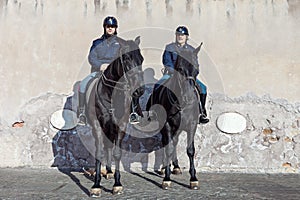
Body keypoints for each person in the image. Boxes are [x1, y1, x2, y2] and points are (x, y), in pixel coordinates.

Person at [77, 16, 140, 125]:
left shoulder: (121, 43)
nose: (110, 28)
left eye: (113, 27)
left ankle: (133, 112)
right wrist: (100, 65)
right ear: (104, 27)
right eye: (108, 26)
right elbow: (92, 57)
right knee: (83, 84)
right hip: (98, 72)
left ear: (116, 28)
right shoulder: (96, 42)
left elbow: (124, 59)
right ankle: (82, 113)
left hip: (115, 74)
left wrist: (112, 66)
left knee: (131, 85)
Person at [156, 26, 209, 124]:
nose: (180, 37)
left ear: (186, 37)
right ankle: (153, 111)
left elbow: (195, 64)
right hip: (172, 75)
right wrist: (174, 72)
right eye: (178, 35)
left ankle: (201, 112)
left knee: (203, 88)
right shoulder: (170, 47)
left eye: (182, 35)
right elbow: (166, 61)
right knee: (158, 85)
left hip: (187, 76)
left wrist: (193, 73)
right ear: (176, 36)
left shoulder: (191, 50)